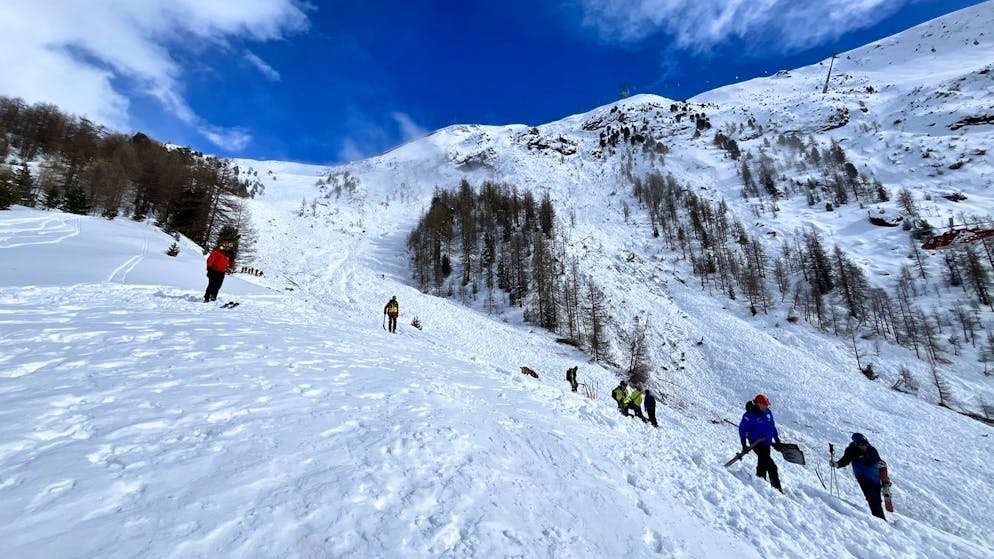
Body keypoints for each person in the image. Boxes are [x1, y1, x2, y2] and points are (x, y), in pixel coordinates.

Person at [833, 433, 886, 520]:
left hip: (875, 479)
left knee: (877, 500)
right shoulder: (851, 451)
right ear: (856, 444)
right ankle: (879, 520)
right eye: (862, 444)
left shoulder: (872, 450)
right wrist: (837, 464)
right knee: (871, 498)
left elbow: (879, 463)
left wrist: (884, 478)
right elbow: (845, 460)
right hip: (863, 478)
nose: (865, 446)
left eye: (866, 443)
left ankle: (880, 519)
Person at [738, 393, 783, 492]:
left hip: (766, 442)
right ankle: (777, 490)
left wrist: (777, 440)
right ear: (757, 404)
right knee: (772, 466)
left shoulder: (767, 412)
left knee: (763, 463)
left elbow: (772, 426)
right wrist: (744, 444)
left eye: (767, 405)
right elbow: (742, 429)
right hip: (756, 442)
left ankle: (760, 483)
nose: (765, 407)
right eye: (763, 405)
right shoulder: (749, 415)